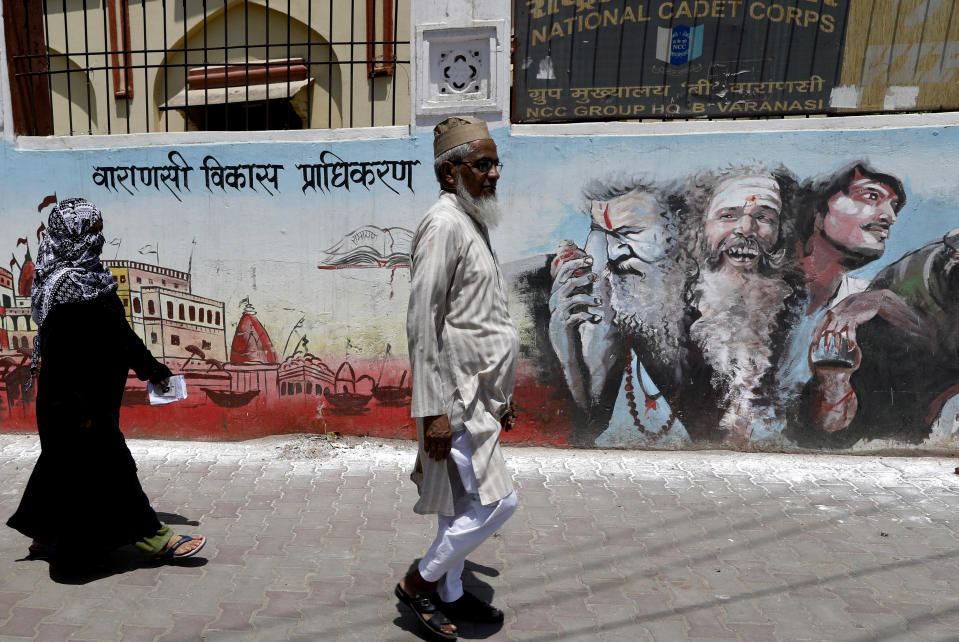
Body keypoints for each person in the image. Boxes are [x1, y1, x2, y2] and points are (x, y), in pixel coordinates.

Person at [6, 198, 206, 570]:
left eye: (99, 228)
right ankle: (153, 538)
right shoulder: (65, 285)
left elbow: (117, 332)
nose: (98, 236)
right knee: (114, 467)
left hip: (87, 397)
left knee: (60, 465)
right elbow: (63, 357)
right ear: (74, 233)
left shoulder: (88, 274)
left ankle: (43, 532)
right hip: (75, 400)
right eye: (92, 230)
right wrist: (79, 409)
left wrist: (152, 369)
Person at [395, 117, 519, 641]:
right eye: (481, 164)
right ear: (450, 173)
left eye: (495, 164)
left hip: (479, 397)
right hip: (455, 400)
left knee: (462, 506)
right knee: (499, 503)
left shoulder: (471, 221)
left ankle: (448, 593)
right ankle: (420, 583)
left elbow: (475, 317)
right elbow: (422, 323)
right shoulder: (444, 225)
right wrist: (433, 412)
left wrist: (502, 393)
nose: (492, 174)